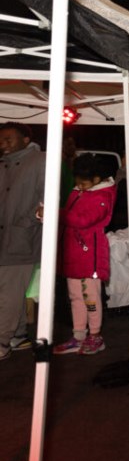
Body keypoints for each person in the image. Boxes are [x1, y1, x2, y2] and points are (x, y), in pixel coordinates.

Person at [52, 153, 117, 356]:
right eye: (78, 182)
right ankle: (79, 335)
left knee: (91, 297)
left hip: (90, 255)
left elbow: (82, 220)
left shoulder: (103, 195)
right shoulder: (81, 190)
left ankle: (95, 335)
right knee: (75, 296)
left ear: (98, 178)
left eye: (84, 183)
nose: (80, 186)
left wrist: (56, 212)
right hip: (74, 252)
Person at [0, 123, 46, 360]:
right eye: (1, 140)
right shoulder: (3, 163)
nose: (3, 144)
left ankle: (2, 342)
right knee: (11, 291)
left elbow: (46, 199)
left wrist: (31, 219)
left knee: (7, 293)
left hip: (21, 239)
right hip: (5, 237)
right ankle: (17, 335)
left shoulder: (40, 160)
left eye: (9, 139)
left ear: (26, 139)